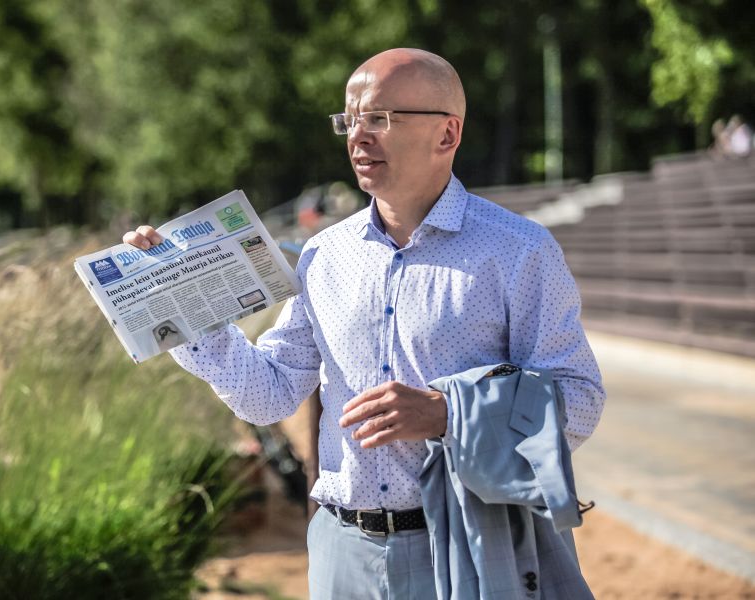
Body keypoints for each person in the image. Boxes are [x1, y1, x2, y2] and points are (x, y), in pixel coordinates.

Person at [123, 48, 605, 599]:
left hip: (468, 549)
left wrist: (448, 415)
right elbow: (270, 396)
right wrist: (183, 304)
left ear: (447, 134)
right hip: (341, 553)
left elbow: (579, 401)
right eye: (349, 120)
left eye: (379, 118)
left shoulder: (519, 251)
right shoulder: (324, 254)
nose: (357, 136)